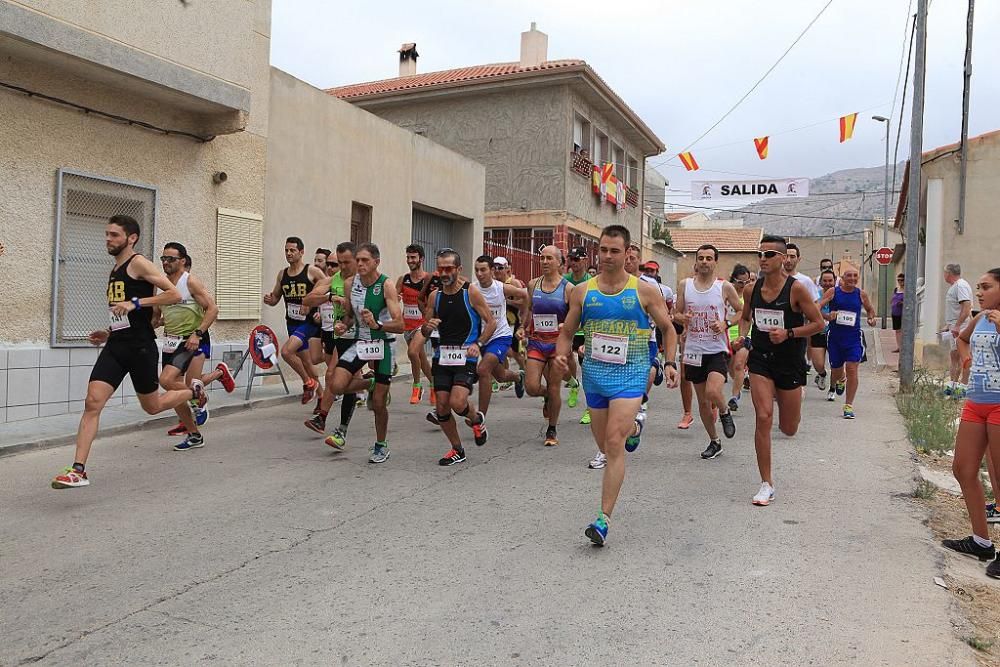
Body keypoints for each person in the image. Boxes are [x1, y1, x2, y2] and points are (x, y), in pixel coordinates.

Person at [51, 216, 204, 489]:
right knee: (92, 403)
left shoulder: (139, 263)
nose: (108, 239)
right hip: (116, 346)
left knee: (153, 407)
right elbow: (123, 312)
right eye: (107, 234)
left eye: (114, 235)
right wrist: (109, 332)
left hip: (141, 347)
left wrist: (136, 302)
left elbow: (173, 295)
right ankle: (78, 470)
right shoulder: (115, 269)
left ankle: (194, 392)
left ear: (131, 237)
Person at [554, 224, 678, 545]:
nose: (607, 256)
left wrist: (669, 362)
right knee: (605, 445)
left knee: (612, 443)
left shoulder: (643, 291)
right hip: (594, 376)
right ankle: (635, 430)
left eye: (614, 251)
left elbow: (668, 328)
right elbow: (567, 331)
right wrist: (560, 354)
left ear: (627, 253)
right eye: (603, 250)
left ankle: (603, 519)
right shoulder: (583, 292)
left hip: (632, 373)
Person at [732, 235, 824, 506]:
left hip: (790, 362)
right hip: (760, 359)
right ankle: (766, 483)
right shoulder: (751, 289)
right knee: (763, 415)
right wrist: (742, 337)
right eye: (761, 254)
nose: (764, 258)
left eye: (770, 254)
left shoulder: (796, 290)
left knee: (789, 427)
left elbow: (818, 323)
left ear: (783, 259)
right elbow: (746, 317)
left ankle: (795, 402)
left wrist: (789, 333)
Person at [941, 268, 1000, 579]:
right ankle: (981, 541)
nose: (979, 292)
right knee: (963, 468)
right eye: (978, 287)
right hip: (976, 402)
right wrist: (967, 361)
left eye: (986, 287)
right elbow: (963, 340)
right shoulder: (981, 318)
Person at [321, 243, 403, 463]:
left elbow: (400, 324)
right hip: (361, 343)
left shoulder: (386, 285)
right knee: (336, 384)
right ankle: (371, 383)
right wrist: (343, 325)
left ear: (376, 262)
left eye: (365, 260)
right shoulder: (350, 284)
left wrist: (377, 324)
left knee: (378, 403)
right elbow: (349, 316)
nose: (360, 264)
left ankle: (381, 445)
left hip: (384, 345)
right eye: (358, 260)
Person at [154, 243, 236, 450]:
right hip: (171, 341)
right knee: (175, 391)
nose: (165, 262)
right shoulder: (161, 284)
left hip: (191, 340)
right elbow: (156, 318)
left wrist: (197, 334)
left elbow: (212, 309)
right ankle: (194, 435)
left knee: (166, 380)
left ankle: (197, 395)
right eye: (163, 258)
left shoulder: (190, 282)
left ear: (182, 261)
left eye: (170, 259)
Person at [422, 249, 495, 465]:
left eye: (448, 268)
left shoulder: (470, 292)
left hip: (466, 357)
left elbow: (491, 322)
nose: (444, 273)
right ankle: (457, 449)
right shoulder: (435, 296)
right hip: (442, 358)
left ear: (458, 269)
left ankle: (475, 418)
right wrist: (428, 327)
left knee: (457, 402)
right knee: (443, 406)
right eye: (440, 268)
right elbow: (424, 330)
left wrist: (478, 344)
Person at [674, 244, 742, 459]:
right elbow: (675, 313)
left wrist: (726, 324)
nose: (704, 261)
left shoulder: (724, 287)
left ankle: (724, 411)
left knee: (713, 392)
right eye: (701, 258)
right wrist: (680, 318)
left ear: (715, 262)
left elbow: (741, 311)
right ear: (696, 262)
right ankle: (715, 441)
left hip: (716, 349)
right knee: (703, 402)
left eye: (709, 258)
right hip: (693, 350)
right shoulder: (685, 285)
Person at [303, 242, 361, 442]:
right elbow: (307, 300)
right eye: (336, 263)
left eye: (345, 262)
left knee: (333, 375)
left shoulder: (365, 281)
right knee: (343, 380)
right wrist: (329, 296)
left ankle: (325, 418)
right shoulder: (332, 280)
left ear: (356, 260)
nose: (341, 267)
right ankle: (333, 424)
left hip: (362, 336)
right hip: (340, 336)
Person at [262, 237, 326, 404]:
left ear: (301, 252)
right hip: (292, 322)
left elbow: (329, 290)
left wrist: (318, 308)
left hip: (309, 322)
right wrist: (270, 299)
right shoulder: (282, 274)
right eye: (286, 250)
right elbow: (276, 298)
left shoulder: (312, 271)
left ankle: (308, 383)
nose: (288, 253)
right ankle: (322, 396)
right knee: (305, 361)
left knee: (286, 352)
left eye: (292, 250)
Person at [524, 245, 573, 447]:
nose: (544, 262)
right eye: (542, 258)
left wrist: (566, 326)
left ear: (559, 262)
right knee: (531, 387)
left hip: (557, 345)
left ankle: (552, 429)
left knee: (555, 388)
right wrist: (523, 326)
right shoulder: (533, 285)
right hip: (536, 341)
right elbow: (528, 309)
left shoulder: (568, 289)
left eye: (549, 258)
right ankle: (546, 397)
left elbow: (575, 316)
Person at [817, 264, 876, 418]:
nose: (852, 279)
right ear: (842, 278)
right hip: (835, 338)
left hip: (853, 338)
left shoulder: (861, 294)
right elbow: (816, 307)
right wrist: (828, 316)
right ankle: (840, 379)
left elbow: (870, 309)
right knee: (836, 370)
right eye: (849, 276)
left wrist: (871, 318)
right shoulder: (833, 292)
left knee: (852, 369)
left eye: (855, 276)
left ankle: (848, 406)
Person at [473, 255, 527, 416]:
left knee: (483, 370)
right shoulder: (473, 290)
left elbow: (526, 295)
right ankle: (518, 377)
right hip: (483, 337)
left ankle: (480, 417)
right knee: (501, 376)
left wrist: (523, 322)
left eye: (483, 269)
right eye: (476, 270)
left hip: (501, 336)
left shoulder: (501, 288)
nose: (479, 273)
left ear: (492, 270)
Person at [397, 244, 435, 404]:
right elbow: (393, 297)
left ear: (422, 259)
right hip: (408, 325)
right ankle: (434, 385)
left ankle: (417, 386)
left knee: (412, 353)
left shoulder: (428, 279)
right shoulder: (403, 279)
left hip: (423, 324)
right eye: (408, 257)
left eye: (413, 257)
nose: (410, 260)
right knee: (421, 359)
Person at [563, 247, 591, 411]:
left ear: (585, 260)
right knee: (565, 360)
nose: (572, 263)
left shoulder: (591, 282)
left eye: (576, 259)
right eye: (570, 259)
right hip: (567, 330)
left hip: (585, 331)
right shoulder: (564, 281)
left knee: (587, 369)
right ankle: (573, 384)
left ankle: (589, 407)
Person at [943, 264, 974, 397]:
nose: (944, 275)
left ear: (949, 273)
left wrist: (957, 326)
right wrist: (948, 325)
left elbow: (966, 308)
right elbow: (955, 309)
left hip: (962, 328)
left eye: (944, 273)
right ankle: (953, 385)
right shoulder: (954, 287)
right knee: (954, 355)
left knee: (964, 357)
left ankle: (963, 387)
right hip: (954, 327)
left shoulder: (960, 286)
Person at [727, 265, 752, 412]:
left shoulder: (749, 295)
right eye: (740, 282)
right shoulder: (726, 294)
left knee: (738, 365)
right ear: (733, 280)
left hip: (745, 334)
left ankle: (734, 397)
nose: (743, 285)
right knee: (731, 369)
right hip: (727, 335)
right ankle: (742, 379)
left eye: (746, 282)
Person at [811, 269, 837, 393]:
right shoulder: (815, 295)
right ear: (820, 282)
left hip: (835, 333)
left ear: (835, 281)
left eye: (830, 281)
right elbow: (812, 311)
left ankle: (832, 389)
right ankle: (821, 374)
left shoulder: (840, 294)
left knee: (835, 364)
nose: (827, 283)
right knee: (818, 364)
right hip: (819, 331)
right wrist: (826, 315)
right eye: (825, 281)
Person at [891, 273, 905, 352]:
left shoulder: (906, 290)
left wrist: (902, 303)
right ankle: (899, 346)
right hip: (895, 312)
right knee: (897, 330)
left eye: (902, 280)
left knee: (902, 329)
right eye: (898, 280)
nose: (900, 282)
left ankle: (903, 346)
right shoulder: (896, 289)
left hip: (902, 313)